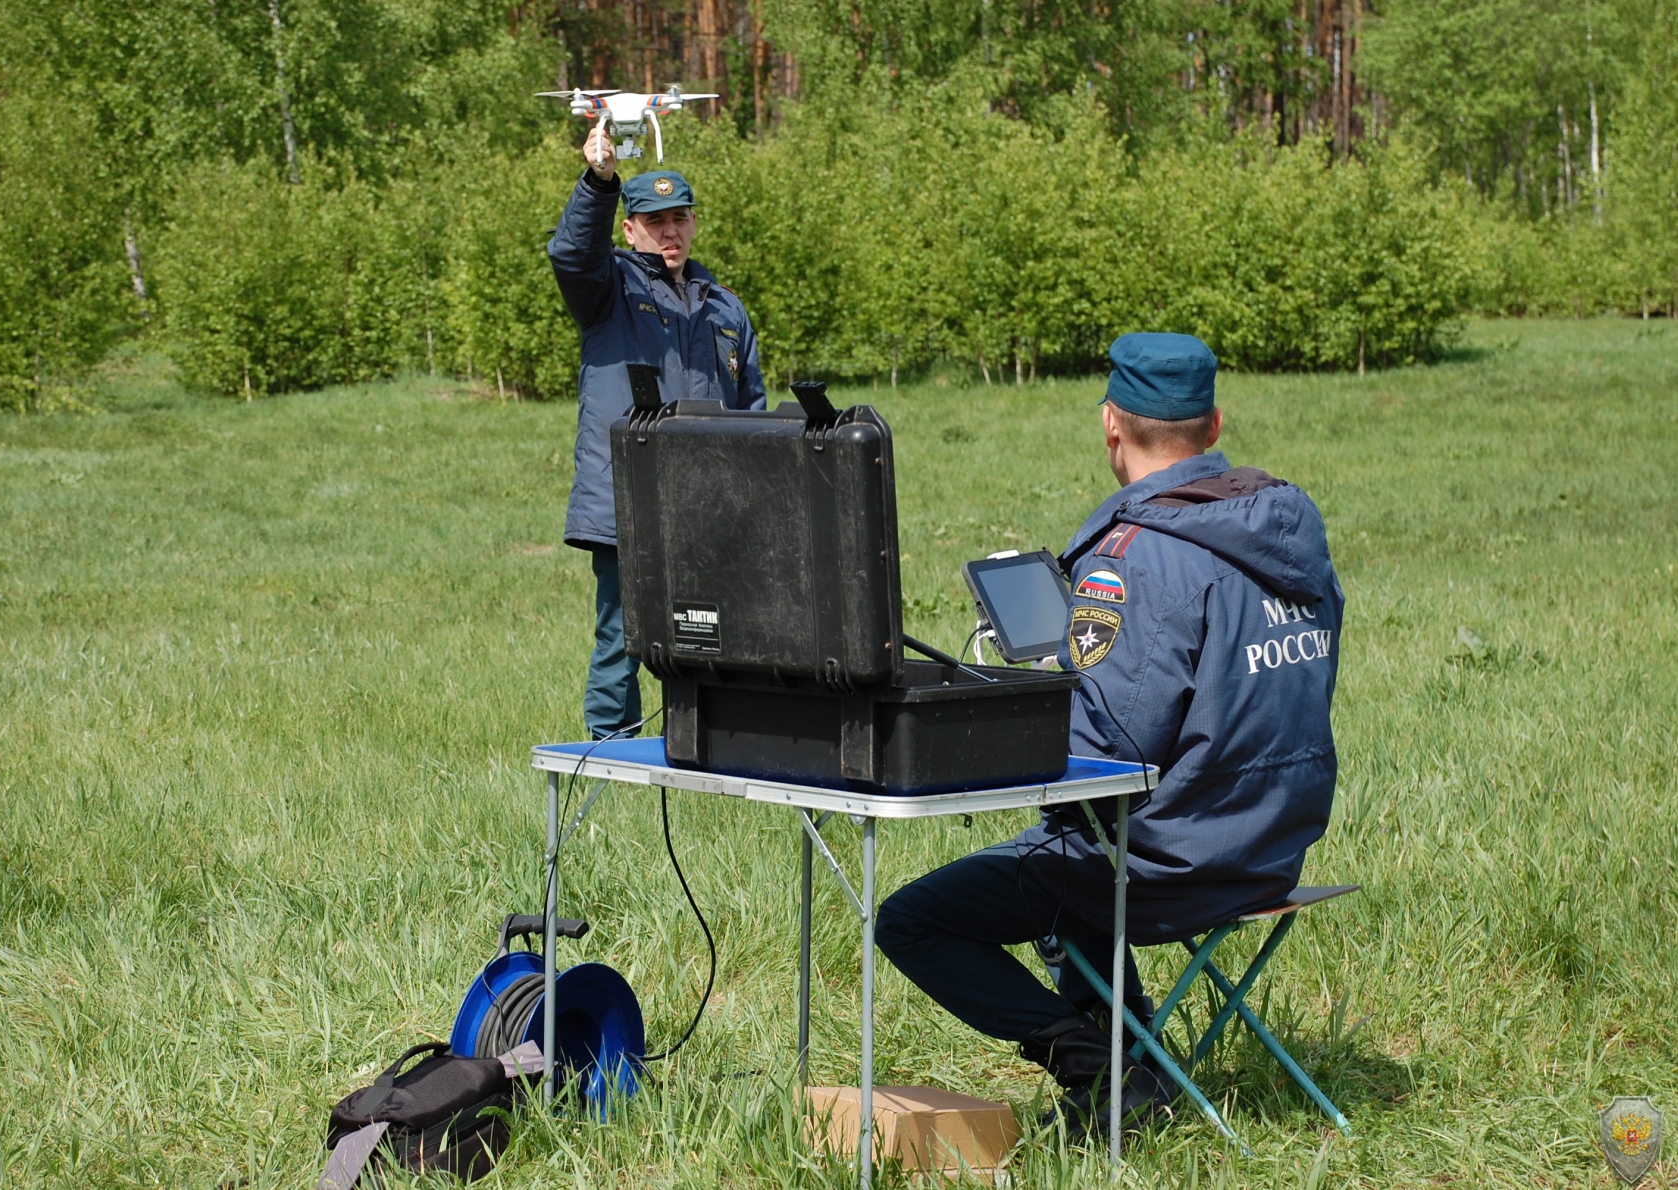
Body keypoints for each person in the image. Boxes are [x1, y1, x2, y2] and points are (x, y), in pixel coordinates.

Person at [874, 332, 1344, 1137]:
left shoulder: (1136, 556)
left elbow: (1105, 746)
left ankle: (1097, 1066)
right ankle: (1134, 1058)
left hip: (1171, 864)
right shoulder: (1287, 528)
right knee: (1069, 850)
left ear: (1110, 427)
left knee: (913, 918)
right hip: (1271, 847)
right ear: (1215, 423)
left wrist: (1022, 698)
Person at [548, 125, 766, 740]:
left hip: (708, 502)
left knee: (709, 628)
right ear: (629, 227)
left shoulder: (725, 306)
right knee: (623, 633)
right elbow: (569, 252)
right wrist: (599, 181)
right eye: (654, 220)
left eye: (679, 218)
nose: (669, 231)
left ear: (693, 222)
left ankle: (704, 745)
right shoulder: (607, 288)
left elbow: (751, 405)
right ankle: (610, 752)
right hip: (629, 497)